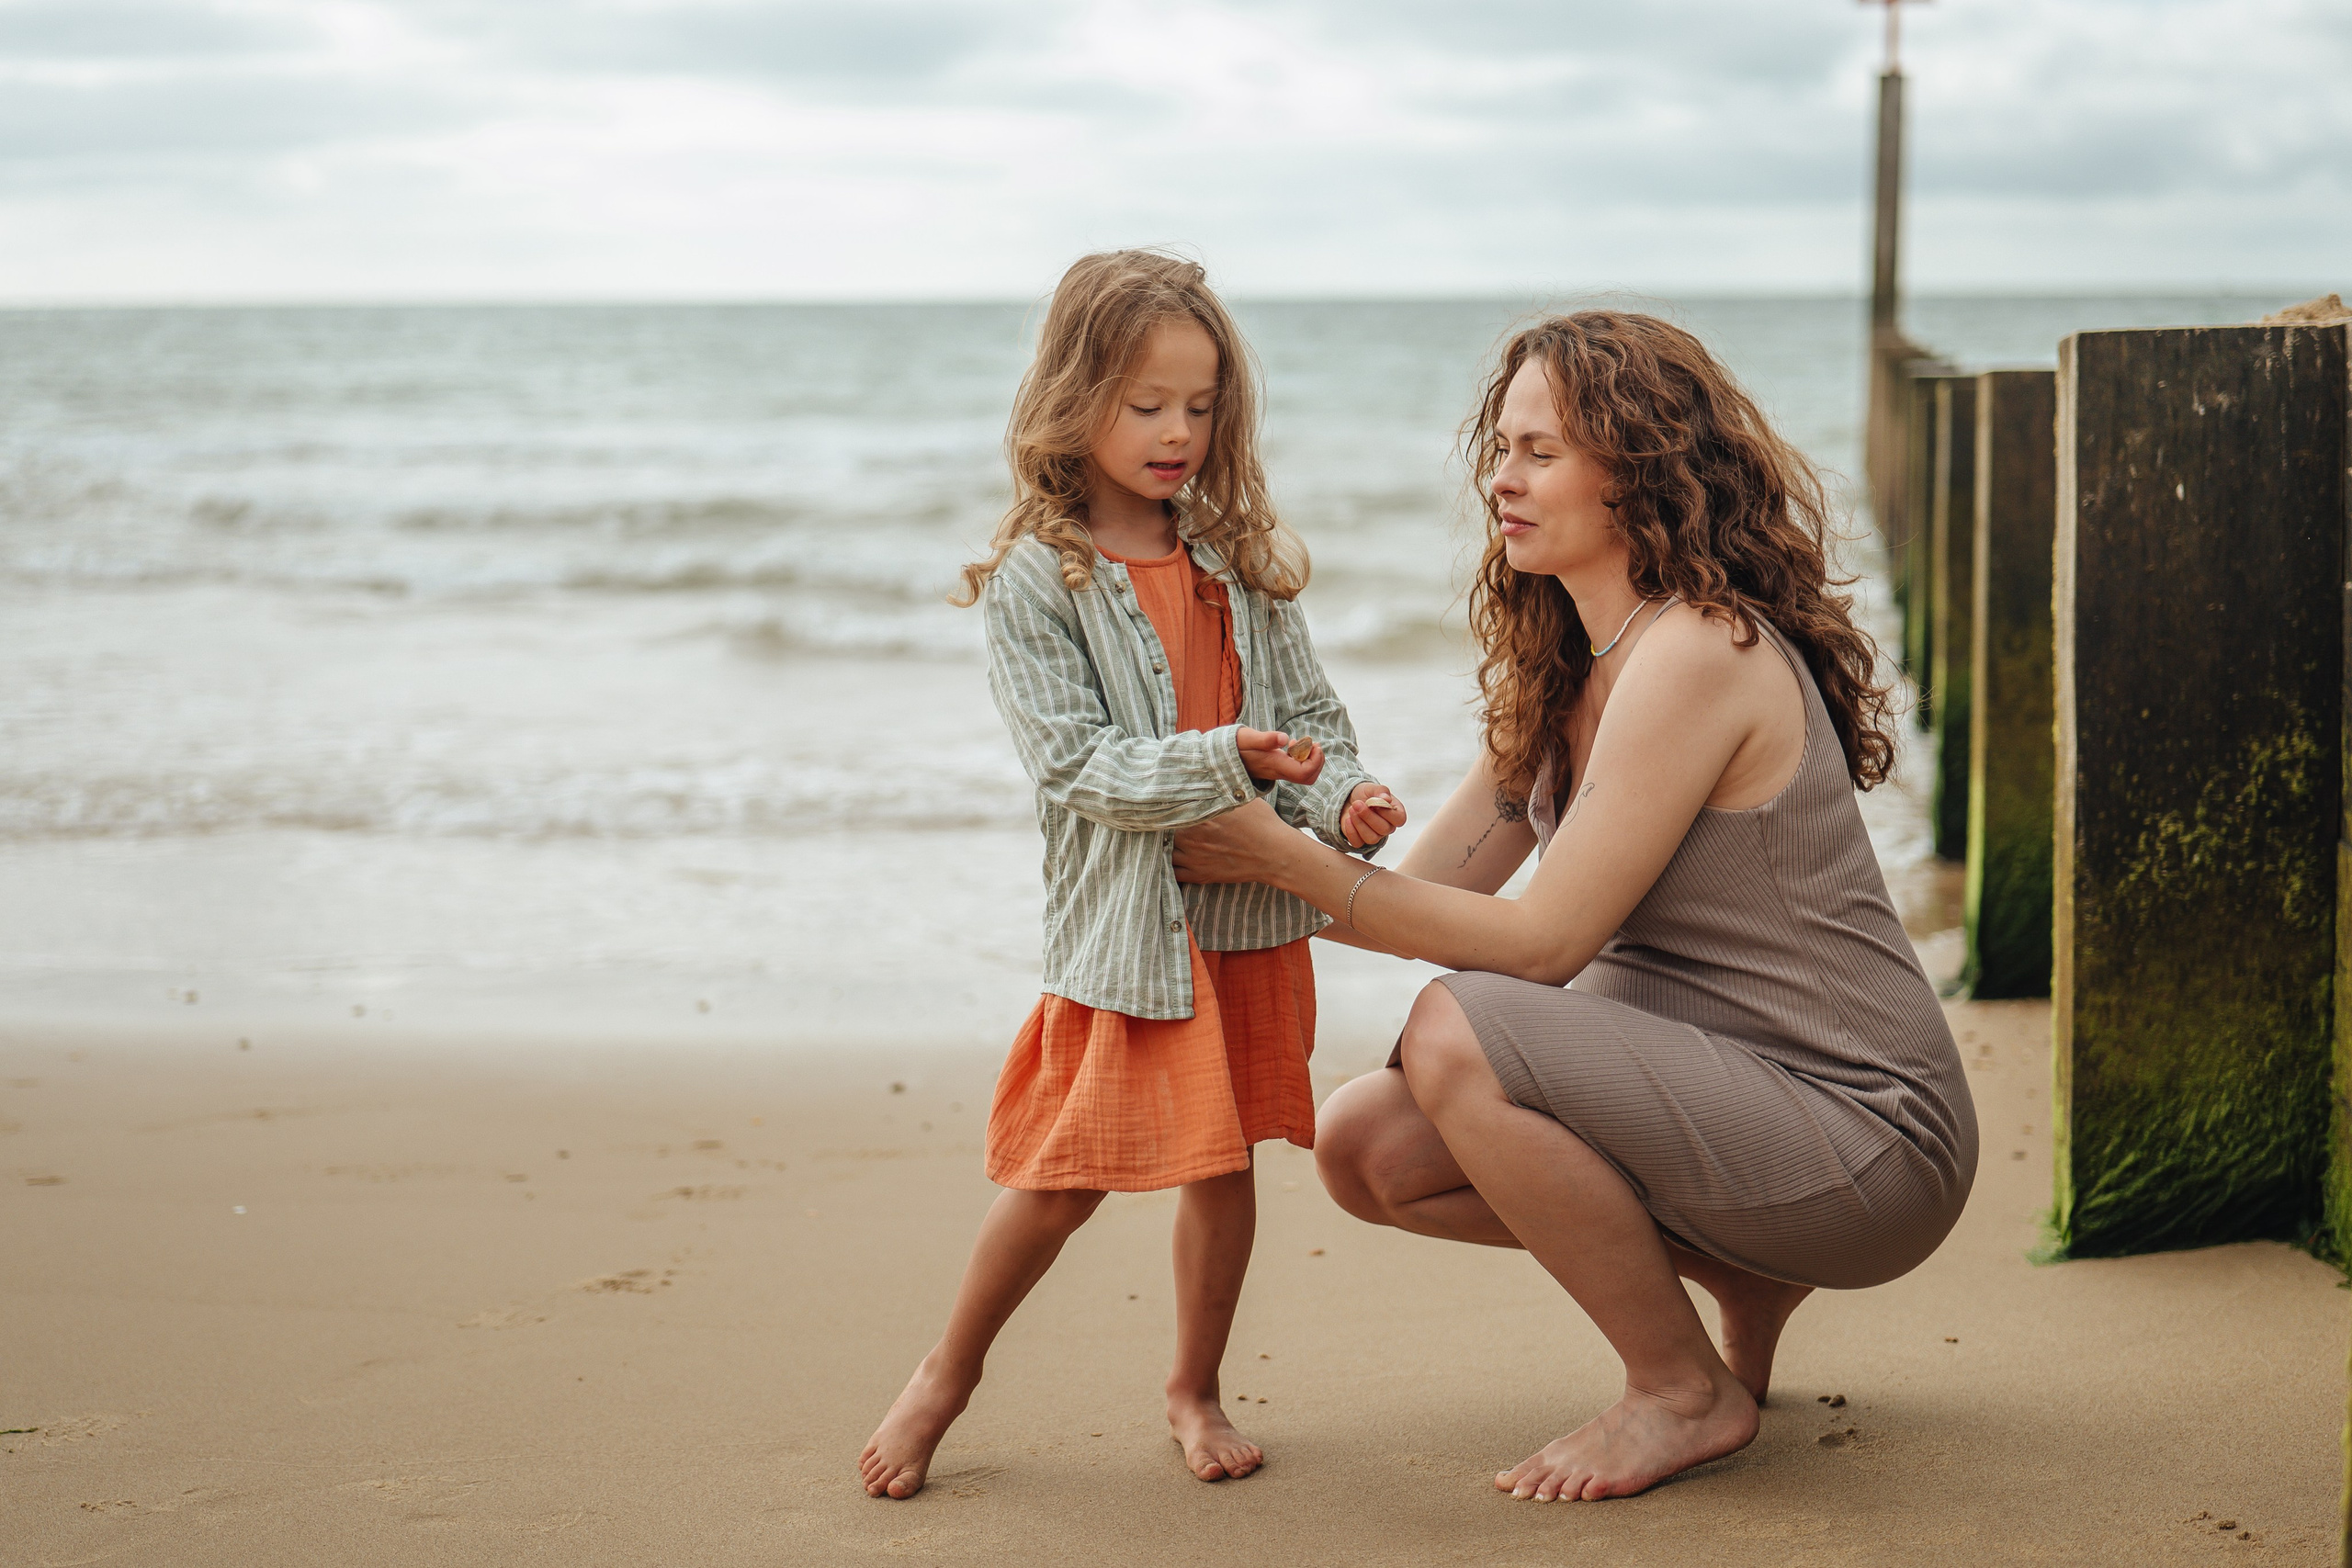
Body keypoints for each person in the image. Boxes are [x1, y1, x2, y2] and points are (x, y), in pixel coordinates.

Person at [1172, 310, 1977, 1504]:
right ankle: (1741, 1284)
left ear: (1642, 469)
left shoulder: (1701, 651)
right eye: (1500, 447)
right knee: (1368, 1145)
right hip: (1743, 1099)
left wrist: (1283, 866)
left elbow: (1543, 947)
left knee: (1460, 1026)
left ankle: (1681, 1392)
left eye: (1541, 451)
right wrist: (1220, 841)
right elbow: (1430, 894)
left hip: (1869, 1135)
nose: (1501, 478)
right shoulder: (1572, 668)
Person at [858, 250, 1408, 1501]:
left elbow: (1306, 717)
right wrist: (1229, 757)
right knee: (1063, 1177)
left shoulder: (1238, 559)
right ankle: (946, 1373)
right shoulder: (1036, 584)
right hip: (1129, 933)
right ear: (1072, 398)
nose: (1176, 433)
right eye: (1144, 404)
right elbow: (1080, 767)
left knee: (1224, 1168)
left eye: (1200, 407)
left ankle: (1194, 1387)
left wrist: (1342, 797)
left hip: (1243, 915)